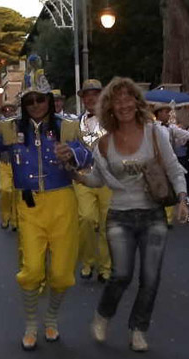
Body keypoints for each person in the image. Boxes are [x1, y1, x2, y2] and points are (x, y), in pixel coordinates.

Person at [0, 56, 92, 350]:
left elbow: (88, 155)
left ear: (49, 101)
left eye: (41, 99)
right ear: (24, 104)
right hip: (29, 205)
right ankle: (30, 323)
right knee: (33, 270)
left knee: (61, 273)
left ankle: (51, 318)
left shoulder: (67, 126)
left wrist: (72, 153)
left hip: (62, 203)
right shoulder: (11, 128)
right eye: (30, 101)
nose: (36, 105)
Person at [73, 77, 189, 352]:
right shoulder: (104, 143)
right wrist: (75, 175)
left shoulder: (154, 133)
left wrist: (182, 199)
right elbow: (98, 180)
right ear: (110, 108)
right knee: (121, 275)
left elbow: (174, 169)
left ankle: (138, 329)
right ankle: (103, 314)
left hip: (153, 215)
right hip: (120, 216)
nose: (124, 105)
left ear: (137, 103)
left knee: (150, 278)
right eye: (117, 101)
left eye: (128, 99)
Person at [75, 79, 112, 282]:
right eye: (87, 95)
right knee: (86, 219)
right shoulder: (75, 123)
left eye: (95, 94)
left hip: (107, 177)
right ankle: (88, 261)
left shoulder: (113, 121)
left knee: (108, 224)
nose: (91, 98)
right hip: (84, 176)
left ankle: (106, 267)